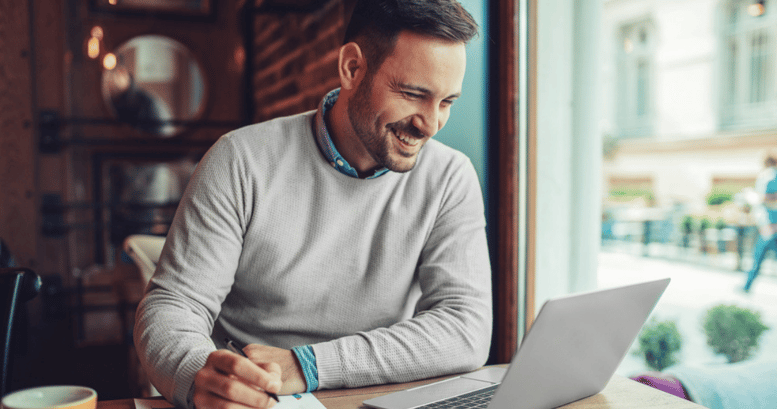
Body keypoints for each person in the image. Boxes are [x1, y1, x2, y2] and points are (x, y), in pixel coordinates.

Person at [133, 1, 492, 408]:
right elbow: (173, 306)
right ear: (353, 68)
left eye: (447, 102)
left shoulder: (450, 178)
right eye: (413, 94)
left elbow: (466, 326)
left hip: (376, 398)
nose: (430, 124)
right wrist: (199, 375)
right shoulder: (239, 160)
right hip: (255, 399)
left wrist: (307, 365)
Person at [743, 155, 777, 292]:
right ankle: (747, 285)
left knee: (758, 257)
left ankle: (747, 286)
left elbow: (769, 197)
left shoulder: (770, 176)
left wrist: (755, 197)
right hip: (770, 225)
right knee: (758, 256)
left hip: (770, 226)